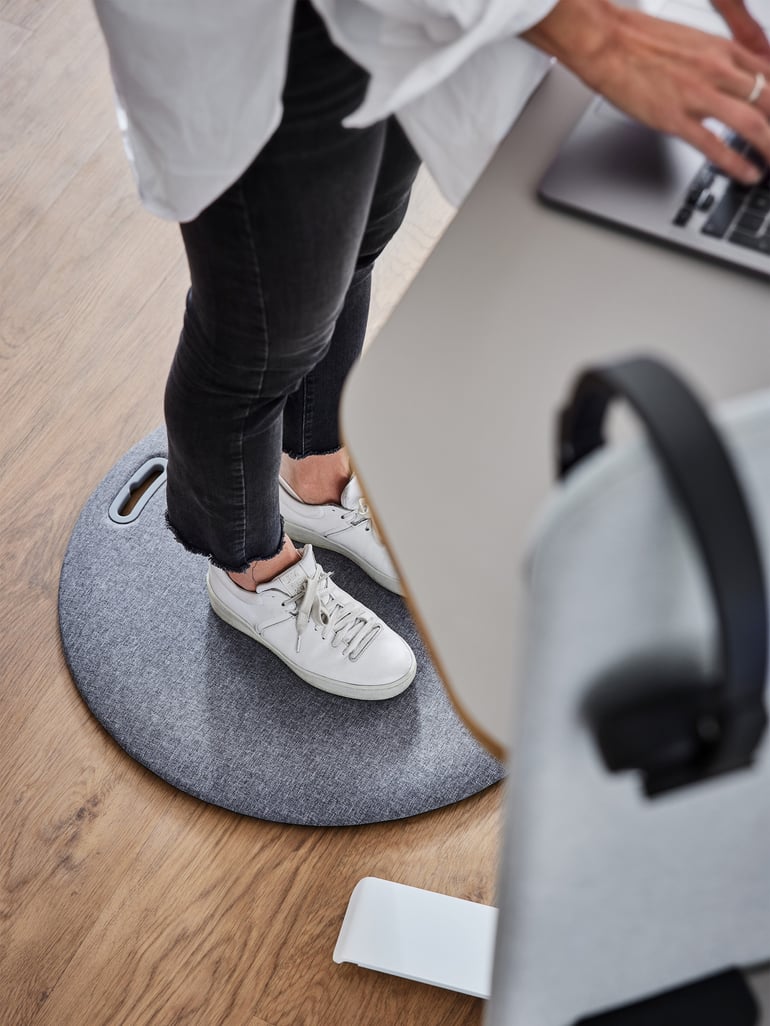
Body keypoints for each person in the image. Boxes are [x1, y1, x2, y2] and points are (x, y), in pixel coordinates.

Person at [92, 0, 770, 702]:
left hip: (401, 19)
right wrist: (585, 27)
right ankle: (249, 567)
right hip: (271, 29)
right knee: (261, 336)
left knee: (355, 241)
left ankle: (314, 478)